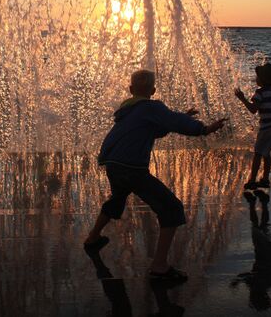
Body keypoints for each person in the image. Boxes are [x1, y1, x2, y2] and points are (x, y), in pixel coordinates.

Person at [84, 69, 227, 281]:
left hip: (113, 163)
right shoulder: (152, 107)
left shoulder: (127, 109)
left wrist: (180, 118)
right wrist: (203, 129)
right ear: (153, 90)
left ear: (131, 89)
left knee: (117, 199)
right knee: (171, 208)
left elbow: (156, 127)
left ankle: (93, 238)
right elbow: (171, 121)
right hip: (131, 167)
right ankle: (159, 266)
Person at [234, 63, 271, 190]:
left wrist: (242, 98)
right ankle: (265, 179)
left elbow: (253, 110)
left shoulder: (259, 93)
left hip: (267, 129)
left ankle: (252, 181)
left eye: (257, 77)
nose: (256, 79)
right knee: (266, 152)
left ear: (262, 79)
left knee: (258, 154)